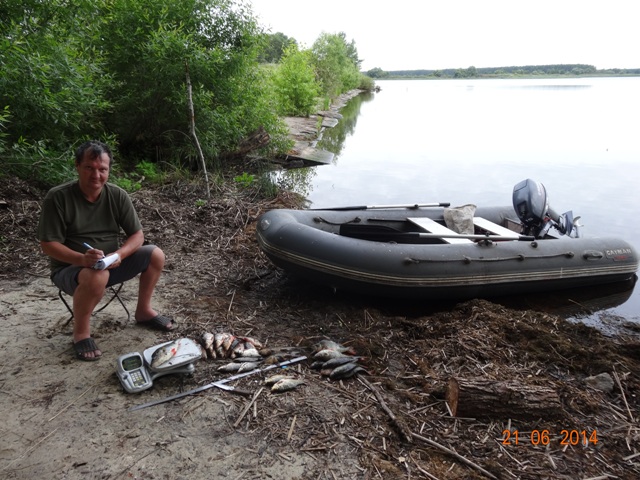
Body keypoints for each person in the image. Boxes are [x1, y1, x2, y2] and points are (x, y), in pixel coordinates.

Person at [38, 140, 174, 361]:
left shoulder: (117, 195)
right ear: (77, 166)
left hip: (110, 263)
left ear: (109, 170)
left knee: (155, 254)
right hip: (70, 270)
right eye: (89, 168)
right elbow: (48, 245)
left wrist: (119, 255)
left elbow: (137, 235)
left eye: (102, 169)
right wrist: (82, 259)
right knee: (96, 275)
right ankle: (81, 333)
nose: (96, 175)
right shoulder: (58, 197)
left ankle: (144, 311)